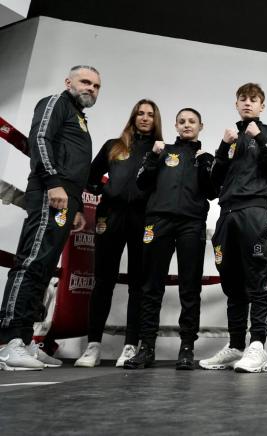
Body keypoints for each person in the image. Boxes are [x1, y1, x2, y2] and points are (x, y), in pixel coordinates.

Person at [0, 65, 100, 371]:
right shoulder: (56, 102)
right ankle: (7, 343)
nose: (91, 88)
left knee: (43, 269)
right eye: (85, 82)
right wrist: (53, 182)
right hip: (50, 192)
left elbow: (74, 164)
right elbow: (40, 139)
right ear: (69, 82)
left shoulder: (79, 117)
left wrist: (77, 207)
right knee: (31, 263)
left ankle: (25, 340)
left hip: (66, 198)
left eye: (96, 86)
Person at [199, 83, 267, 372]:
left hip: (254, 210)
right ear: (236, 104)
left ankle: (257, 345)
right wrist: (223, 147)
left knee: (257, 279)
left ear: (262, 106)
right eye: (243, 99)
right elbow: (214, 184)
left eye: (253, 99)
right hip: (227, 212)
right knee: (232, 282)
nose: (248, 103)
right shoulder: (231, 138)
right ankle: (236, 345)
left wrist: (259, 137)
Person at [123, 108, 216, 370]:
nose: (187, 125)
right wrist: (153, 156)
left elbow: (213, 192)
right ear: (175, 126)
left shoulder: (206, 157)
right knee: (151, 286)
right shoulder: (162, 151)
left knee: (190, 287)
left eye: (192, 121)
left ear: (200, 126)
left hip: (191, 223)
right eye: (182, 121)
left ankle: (187, 348)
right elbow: (141, 183)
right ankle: (146, 347)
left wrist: (205, 164)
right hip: (158, 221)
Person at [75, 99, 162, 368]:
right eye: (140, 113)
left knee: (138, 283)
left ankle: (130, 345)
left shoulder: (161, 150)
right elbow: (90, 175)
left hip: (142, 220)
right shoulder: (114, 145)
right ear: (133, 117)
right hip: (110, 217)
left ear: (156, 120)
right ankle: (93, 345)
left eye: (150, 114)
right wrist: (106, 192)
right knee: (103, 280)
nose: (144, 118)